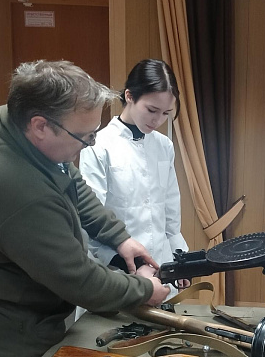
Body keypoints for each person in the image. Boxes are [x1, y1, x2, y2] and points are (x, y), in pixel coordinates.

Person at [0, 60, 169, 357]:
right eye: (84, 136)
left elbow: (68, 177)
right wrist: (144, 289)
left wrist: (118, 236)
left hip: (6, 303)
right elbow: (80, 280)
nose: (90, 144)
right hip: (4, 333)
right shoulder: (16, 189)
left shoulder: (6, 121)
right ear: (41, 126)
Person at [79, 59, 190, 298]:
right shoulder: (99, 146)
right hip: (115, 271)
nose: (157, 120)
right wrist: (131, 265)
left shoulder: (164, 146)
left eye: (165, 113)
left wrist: (180, 260)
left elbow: (171, 215)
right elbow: (89, 221)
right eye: (151, 110)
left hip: (160, 268)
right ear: (129, 96)